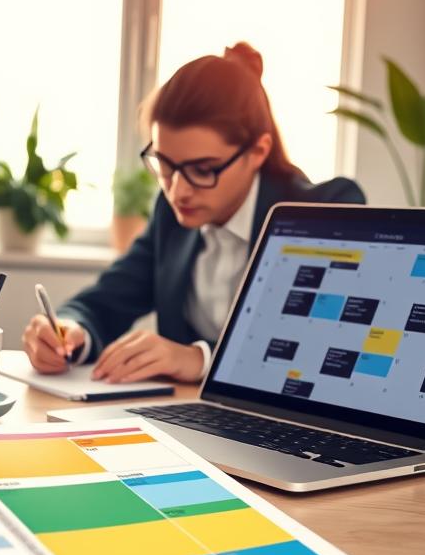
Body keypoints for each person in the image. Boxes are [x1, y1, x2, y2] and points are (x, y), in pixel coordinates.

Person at [22, 42, 365, 383]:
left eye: (203, 169)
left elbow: (319, 346)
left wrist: (199, 359)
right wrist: (69, 332)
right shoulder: (171, 216)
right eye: (165, 164)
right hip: (188, 417)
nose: (177, 190)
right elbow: (106, 302)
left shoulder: (326, 210)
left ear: (259, 150)